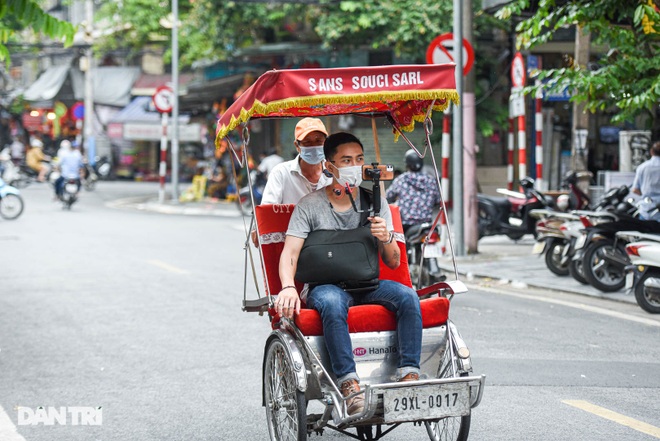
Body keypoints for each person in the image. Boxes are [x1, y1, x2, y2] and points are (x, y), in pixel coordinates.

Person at [275, 132, 423, 416]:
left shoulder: (375, 201)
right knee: (331, 303)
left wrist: (386, 236)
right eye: (346, 160)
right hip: (325, 285)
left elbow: (393, 262)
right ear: (329, 166)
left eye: (359, 159)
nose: (354, 166)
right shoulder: (310, 205)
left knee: (407, 297)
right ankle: (349, 384)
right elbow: (290, 253)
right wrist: (287, 287)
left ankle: (409, 376)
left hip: (366, 283)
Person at [260, 117, 333, 205]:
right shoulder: (281, 173)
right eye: (307, 142)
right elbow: (267, 210)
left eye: (319, 141)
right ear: (297, 146)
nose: (314, 146)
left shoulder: (336, 173)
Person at [385, 149, 440, 232]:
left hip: (405, 224)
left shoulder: (401, 179)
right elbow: (438, 200)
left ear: (407, 164)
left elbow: (387, 197)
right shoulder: (431, 180)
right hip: (426, 223)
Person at [632, 141, 660, 220]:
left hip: (646, 210)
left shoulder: (642, 167)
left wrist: (646, 194)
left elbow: (635, 189)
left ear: (651, 151)